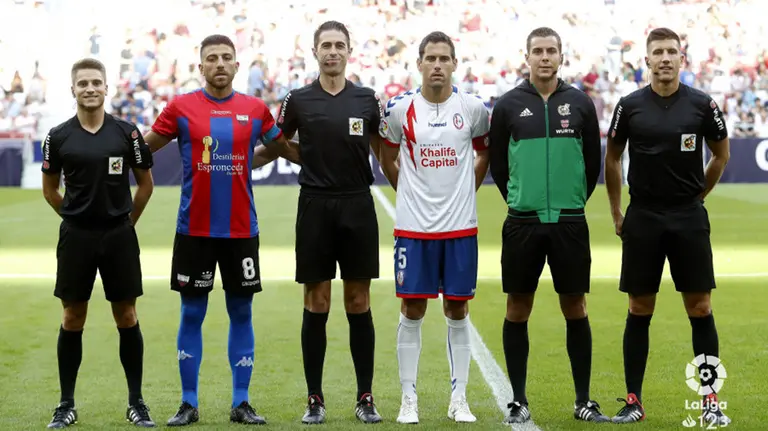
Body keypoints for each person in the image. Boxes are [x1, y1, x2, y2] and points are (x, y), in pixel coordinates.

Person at [142, 34, 299, 427]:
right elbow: (144, 149)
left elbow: (282, 148)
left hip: (241, 230)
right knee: (191, 311)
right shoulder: (180, 108)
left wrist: (328, 154)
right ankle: (188, 403)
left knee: (241, 311)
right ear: (201, 67)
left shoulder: (256, 109)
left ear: (236, 65)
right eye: (211, 58)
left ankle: (241, 402)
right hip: (194, 230)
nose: (219, 64)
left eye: (226, 58)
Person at [605, 27, 731, 426]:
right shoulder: (629, 106)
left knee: (700, 307)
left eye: (671, 52)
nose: (664, 58)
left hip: (687, 217)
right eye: (657, 52)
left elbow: (721, 155)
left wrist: (699, 196)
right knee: (639, 308)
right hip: (642, 216)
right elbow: (612, 158)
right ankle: (633, 401)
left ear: (682, 59)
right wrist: (616, 212)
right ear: (646, 60)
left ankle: (711, 403)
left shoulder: (702, 105)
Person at [488, 27, 607, 424]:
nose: (544, 57)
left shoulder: (580, 104)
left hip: (570, 223)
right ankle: (519, 399)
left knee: (575, 306)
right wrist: (523, 200)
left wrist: (571, 201)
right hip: (522, 223)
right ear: (527, 57)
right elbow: (501, 170)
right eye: (537, 51)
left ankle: (583, 400)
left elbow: (592, 165)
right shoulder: (506, 106)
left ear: (561, 57)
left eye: (551, 51)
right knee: (517, 307)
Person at [271, 20, 383, 425]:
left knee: (358, 300)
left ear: (349, 51)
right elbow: (275, 140)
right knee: (316, 300)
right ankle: (314, 398)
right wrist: (305, 157)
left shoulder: (368, 99)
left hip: (357, 205)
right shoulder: (298, 99)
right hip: (315, 205)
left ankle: (365, 396)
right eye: (326, 46)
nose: (332, 52)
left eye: (339, 45)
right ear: (315, 52)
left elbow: (385, 149)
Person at [378, 31, 489, 425]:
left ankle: (459, 398)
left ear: (455, 64)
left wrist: (466, 191)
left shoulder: (473, 108)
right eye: (431, 58)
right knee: (412, 309)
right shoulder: (399, 109)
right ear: (419, 63)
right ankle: (409, 398)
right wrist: (407, 191)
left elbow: (483, 152)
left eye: (445, 58)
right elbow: (386, 155)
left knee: (457, 310)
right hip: (413, 229)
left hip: (460, 228)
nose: (438, 65)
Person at [41, 58, 155, 428]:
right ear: (72, 89)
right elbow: (50, 189)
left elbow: (145, 185)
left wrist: (125, 223)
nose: (89, 88)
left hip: (119, 236)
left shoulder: (128, 134)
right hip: (77, 237)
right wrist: (75, 217)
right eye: (83, 83)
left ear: (107, 88)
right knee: (72, 317)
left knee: (126, 315)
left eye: (96, 83)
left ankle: (136, 402)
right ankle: (66, 404)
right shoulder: (58, 137)